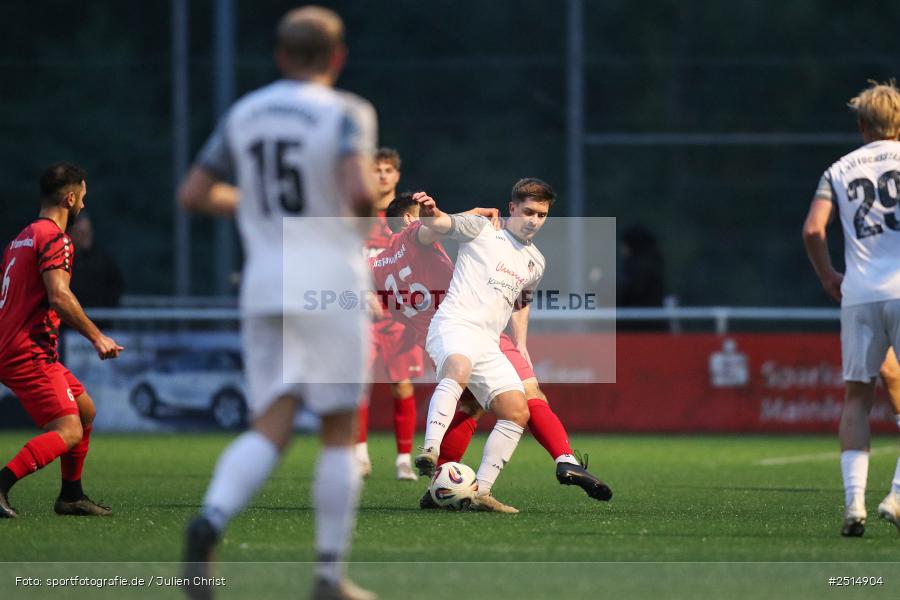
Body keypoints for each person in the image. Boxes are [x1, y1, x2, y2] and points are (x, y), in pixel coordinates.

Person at [177, 6, 378, 600]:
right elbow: (360, 192)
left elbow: (194, 193)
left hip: (264, 282)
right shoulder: (347, 111)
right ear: (338, 57)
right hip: (329, 281)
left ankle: (210, 518)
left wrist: (259, 209)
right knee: (339, 427)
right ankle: (328, 576)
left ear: (281, 56)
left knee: (272, 421)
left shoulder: (246, 112)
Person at [372, 193, 612, 509]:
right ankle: (564, 458)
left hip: (432, 336)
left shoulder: (377, 265)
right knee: (529, 393)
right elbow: (438, 224)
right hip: (469, 324)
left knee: (472, 406)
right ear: (408, 219)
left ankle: (439, 486)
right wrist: (468, 212)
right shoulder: (417, 236)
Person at [412, 178, 558, 514]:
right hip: (454, 324)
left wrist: (521, 343)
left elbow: (521, 302)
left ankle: (482, 492)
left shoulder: (536, 261)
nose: (534, 220)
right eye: (528, 212)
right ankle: (430, 449)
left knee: (517, 411)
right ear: (512, 208)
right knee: (458, 368)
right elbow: (441, 223)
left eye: (542, 215)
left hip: (490, 342)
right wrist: (431, 212)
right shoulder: (481, 229)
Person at [802, 80, 900, 537]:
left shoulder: (838, 169)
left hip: (858, 293)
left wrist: (828, 276)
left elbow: (813, 230)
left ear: (862, 125)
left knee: (857, 399)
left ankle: (854, 503)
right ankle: (896, 496)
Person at [0, 162, 122, 519]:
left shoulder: (21, 238)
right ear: (69, 198)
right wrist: (97, 337)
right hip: (27, 350)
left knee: (84, 411)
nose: (83, 204)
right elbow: (59, 296)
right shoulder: (56, 239)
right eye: (82, 196)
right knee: (68, 429)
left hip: (16, 345)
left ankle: (71, 495)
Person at [356, 148, 422, 481]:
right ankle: (359, 456)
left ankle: (404, 460)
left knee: (402, 385)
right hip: (361, 314)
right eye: (377, 169)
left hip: (399, 316)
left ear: (396, 175)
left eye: (388, 169)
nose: (382, 175)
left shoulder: (406, 215)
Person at [67, 212, 125, 308]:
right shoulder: (62, 259)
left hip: (99, 314)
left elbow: (117, 284)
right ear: (70, 233)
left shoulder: (102, 258)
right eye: (81, 234)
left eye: (88, 233)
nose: (86, 238)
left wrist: (104, 305)